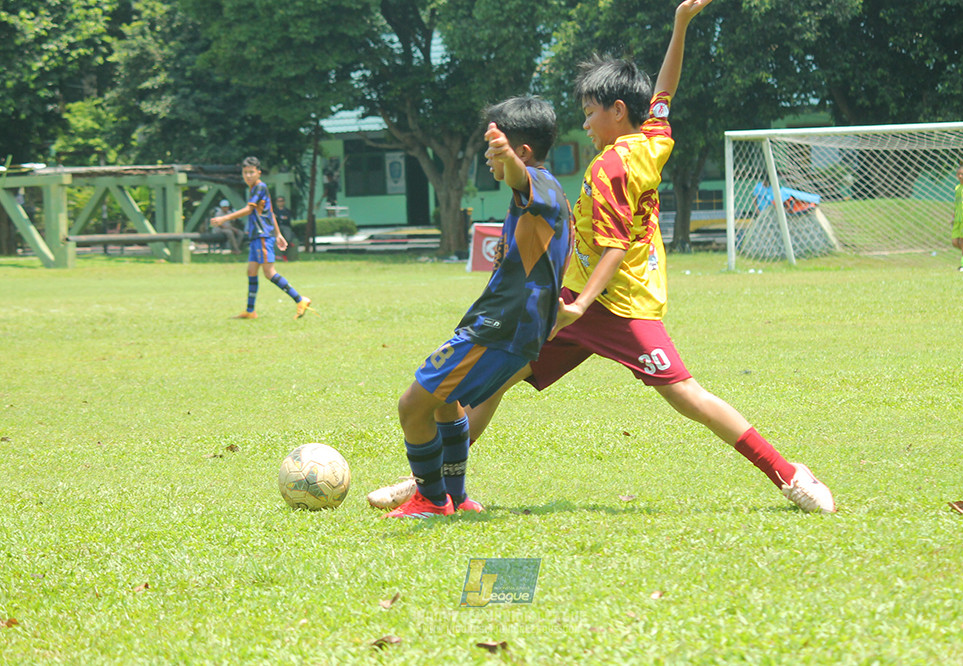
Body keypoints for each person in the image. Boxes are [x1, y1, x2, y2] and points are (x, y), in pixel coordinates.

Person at [371, 0, 835, 515]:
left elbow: (614, 246)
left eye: (591, 112)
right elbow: (664, 92)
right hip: (575, 298)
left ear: (617, 110)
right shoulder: (653, 139)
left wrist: (578, 305)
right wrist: (680, 24)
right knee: (499, 380)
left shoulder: (609, 167)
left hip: (618, 306)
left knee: (686, 395)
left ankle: (788, 474)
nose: (585, 122)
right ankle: (431, 484)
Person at [379, 96, 573, 518]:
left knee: (412, 405)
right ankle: (457, 496)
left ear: (521, 152)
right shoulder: (551, 193)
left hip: (500, 328)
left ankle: (431, 500)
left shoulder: (537, 185)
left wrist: (509, 159)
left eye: (494, 149)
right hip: (504, 326)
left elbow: (520, 177)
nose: (488, 157)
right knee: (445, 401)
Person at [210, 157, 315, 319]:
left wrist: (224, 218)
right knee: (251, 271)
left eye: (251, 172)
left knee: (269, 273)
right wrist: (278, 234)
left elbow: (248, 210)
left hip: (262, 236)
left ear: (258, 173)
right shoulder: (255, 189)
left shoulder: (260, 187)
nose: (248, 175)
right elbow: (270, 213)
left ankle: (300, 299)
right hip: (256, 236)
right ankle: (250, 311)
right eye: (245, 172)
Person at [273, 196, 298, 261]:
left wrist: (278, 217)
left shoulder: (287, 211)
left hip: (286, 227)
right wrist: (281, 217)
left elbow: (287, 220)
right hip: (277, 227)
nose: (280, 203)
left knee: (288, 239)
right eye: (278, 201)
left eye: (281, 201)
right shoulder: (274, 211)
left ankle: (286, 254)